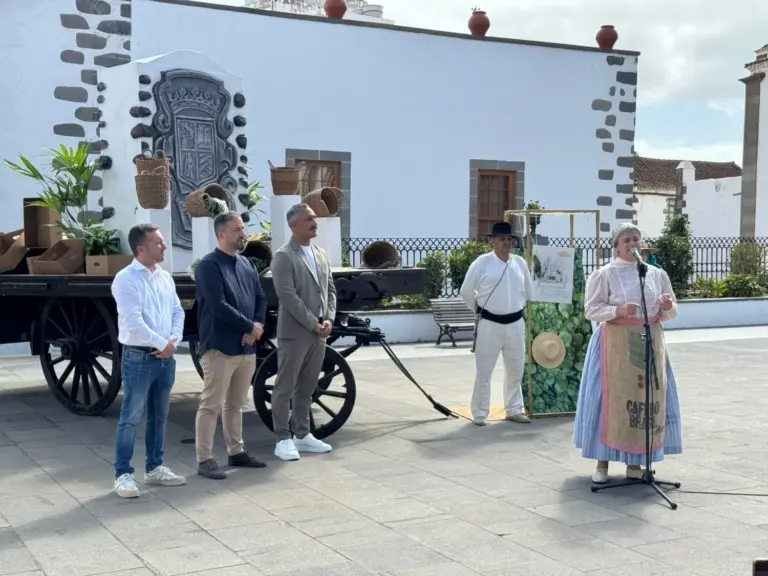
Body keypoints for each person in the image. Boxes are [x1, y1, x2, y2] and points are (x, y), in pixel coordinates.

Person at [573, 223, 683, 484]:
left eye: (636, 239)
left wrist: (667, 306)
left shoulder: (656, 274)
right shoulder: (604, 274)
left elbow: (670, 312)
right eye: (626, 240)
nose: (632, 243)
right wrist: (618, 311)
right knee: (611, 401)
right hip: (614, 342)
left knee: (643, 399)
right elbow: (591, 310)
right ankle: (602, 463)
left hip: (649, 341)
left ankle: (636, 462)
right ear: (617, 246)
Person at [111, 224, 186, 498]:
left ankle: (154, 468)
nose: (164, 247)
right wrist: (161, 344)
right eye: (159, 243)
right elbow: (133, 321)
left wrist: (173, 341)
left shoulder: (165, 277)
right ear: (141, 249)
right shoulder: (126, 279)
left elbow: (178, 311)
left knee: (160, 416)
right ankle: (123, 475)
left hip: (166, 357)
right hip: (139, 357)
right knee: (130, 417)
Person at [194, 211, 268, 479]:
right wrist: (249, 327)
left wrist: (256, 327)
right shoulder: (208, 266)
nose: (243, 233)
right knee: (211, 404)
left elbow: (261, 297)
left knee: (236, 403)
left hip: (247, 348)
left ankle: (236, 452)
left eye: (243, 228)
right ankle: (204, 459)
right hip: (220, 347)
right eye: (237, 229)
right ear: (221, 233)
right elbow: (218, 306)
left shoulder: (247, 264)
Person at [270, 203, 336, 460]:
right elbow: (287, 296)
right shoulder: (284, 256)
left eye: (314, 218)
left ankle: (302, 434)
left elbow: (329, 289)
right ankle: (282, 438)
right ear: (293, 225)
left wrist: (329, 319)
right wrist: (313, 323)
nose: (314, 222)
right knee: (285, 387)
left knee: (307, 386)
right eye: (309, 219)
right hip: (295, 333)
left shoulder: (320, 253)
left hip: (319, 332)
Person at [459, 221, 533, 426]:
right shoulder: (482, 263)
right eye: (502, 239)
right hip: (489, 323)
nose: (506, 242)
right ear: (492, 241)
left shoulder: (519, 263)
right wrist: (480, 311)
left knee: (516, 369)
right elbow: (466, 291)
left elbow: (528, 291)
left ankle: (514, 408)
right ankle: (480, 411)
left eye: (509, 239)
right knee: (484, 370)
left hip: (515, 322)